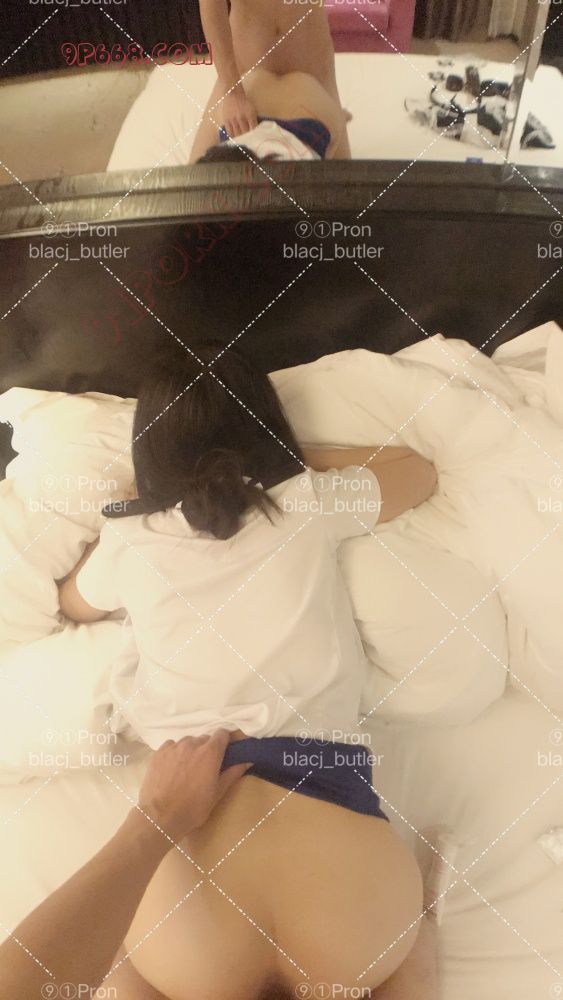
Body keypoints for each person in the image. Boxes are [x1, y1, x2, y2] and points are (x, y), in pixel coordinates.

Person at [49, 341, 438, 998]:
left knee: (130, 972)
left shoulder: (130, 538)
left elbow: (72, 604)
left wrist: (146, 503)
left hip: (193, 845)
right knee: (413, 945)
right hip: (345, 876)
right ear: (269, 430)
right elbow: (416, 472)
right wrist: (286, 467)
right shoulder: (303, 501)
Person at [190, 0, 352, 161]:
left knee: (346, 175)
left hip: (312, 66)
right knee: (194, 175)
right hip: (245, 69)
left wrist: (328, 112)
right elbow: (211, 4)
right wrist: (233, 92)